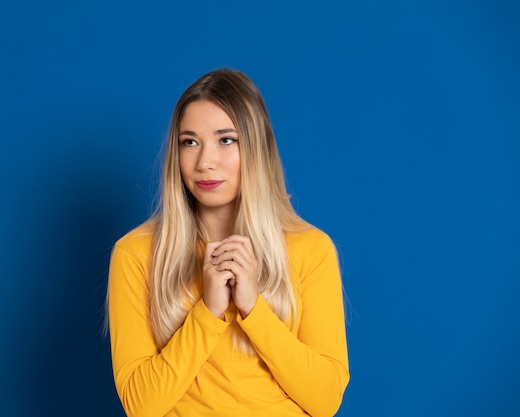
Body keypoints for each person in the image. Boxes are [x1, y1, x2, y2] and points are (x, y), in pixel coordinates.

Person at [106, 68, 349, 417]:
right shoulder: (136, 254)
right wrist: (207, 312)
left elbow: (325, 401)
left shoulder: (310, 248)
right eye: (190, 142)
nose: (205, 162)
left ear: (256, 148)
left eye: (226, 140)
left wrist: (254, 308)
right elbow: (140, 406)